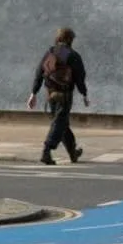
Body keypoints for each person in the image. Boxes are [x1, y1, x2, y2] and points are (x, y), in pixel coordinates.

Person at [27, 27, 88, 165]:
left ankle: (73, 152)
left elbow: (39, 72)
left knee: (62, 123)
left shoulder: (50, 52)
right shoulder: (73, 55)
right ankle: (46, 150)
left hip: (50, 94)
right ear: (70, 39)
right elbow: (80, 77)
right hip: (64, 95)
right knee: (59, 122)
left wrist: (33, 93)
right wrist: (84, 94)